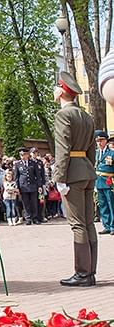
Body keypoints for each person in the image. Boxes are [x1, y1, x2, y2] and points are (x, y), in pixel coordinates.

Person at [52, 71, 98, 287]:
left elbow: (63, 149)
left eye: (56, 87)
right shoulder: (86, 116)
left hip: (72, 173)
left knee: (77, 224)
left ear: (62, 90)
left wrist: (59, 178)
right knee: (88, 223)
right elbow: (91, 150)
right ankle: (91, 272)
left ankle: (82, 273)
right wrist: (90, 169)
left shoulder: (63, 115)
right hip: (87, 171)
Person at [12, 148, 44, 225]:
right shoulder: (17, 164)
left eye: (24, 154)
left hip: (33, 185)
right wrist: (17, 187)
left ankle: (35, 218)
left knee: (34, 203)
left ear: (27, 155)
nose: (22, 156)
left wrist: (39, 185)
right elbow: (16, 177)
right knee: (26, 203)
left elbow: (38, 175)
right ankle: (28, 218)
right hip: (23, 186)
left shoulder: (33, 163)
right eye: (21, 155)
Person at [95, 130, 114, 234]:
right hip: (99, 182)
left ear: (106, 141)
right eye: (97, 141)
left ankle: (113, 226)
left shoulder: (112, 153)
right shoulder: (96, 153)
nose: (99, 143)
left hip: (109, 182)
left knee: (111, 204)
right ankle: (106, 225)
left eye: (101, 140)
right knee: (102, 205)